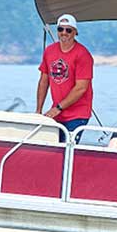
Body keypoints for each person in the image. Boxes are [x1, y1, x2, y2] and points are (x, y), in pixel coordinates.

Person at [36, 14, 94, 142]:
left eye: (68, 30)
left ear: (75, 32)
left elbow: (81, 88)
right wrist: (39, 110)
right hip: (57, 112)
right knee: (52, 148)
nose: (64, 33)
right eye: (60, 29)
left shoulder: (83, 55)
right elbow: (44, 81)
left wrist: (58, 108)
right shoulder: (50, 51)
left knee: (67, 148)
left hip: (77, 114)